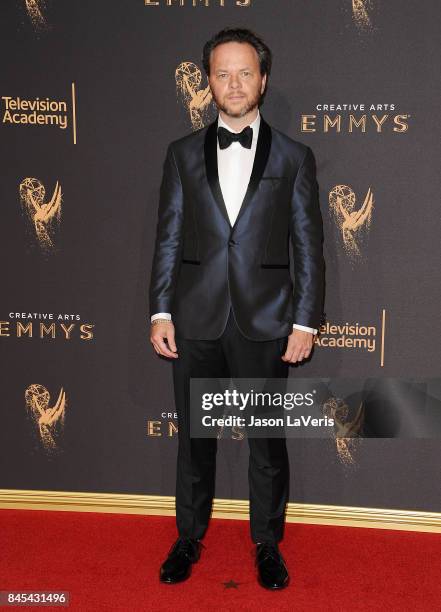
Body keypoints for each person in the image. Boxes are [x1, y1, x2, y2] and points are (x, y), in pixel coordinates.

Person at [149, 27, 325, 590]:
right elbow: (169, 239)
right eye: (222, 73)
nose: (233, 83)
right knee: (193, 441)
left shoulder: (296, 157)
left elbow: (308, 245)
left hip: (265, 321)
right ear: (208, 82)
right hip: (195, 319)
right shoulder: (180, 154)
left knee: (266, 442)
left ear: (263, 80)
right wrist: (159, 311)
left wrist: (304, 320)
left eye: (244, 72)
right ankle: (188, 537)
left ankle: (267, 544)